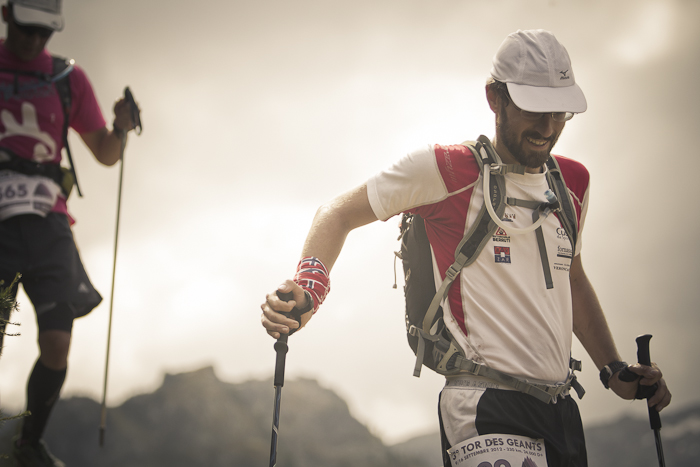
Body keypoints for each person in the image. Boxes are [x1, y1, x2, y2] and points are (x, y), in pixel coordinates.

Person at [261, 29, 672, 466]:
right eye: (534, 110)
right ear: (495, 98)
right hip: (483, 403)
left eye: (559, 112)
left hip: (561, 409)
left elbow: (571, 277)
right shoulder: (447, 169)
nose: (548, 127)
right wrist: (311, 287)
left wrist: (613, 369)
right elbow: (337, 213)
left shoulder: (573, 183)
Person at [0, 0, 137, 465]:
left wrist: (120, 127)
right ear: (6, 15)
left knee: (58, 341)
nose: (34, 40)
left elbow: (105, 152)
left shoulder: (67, 78)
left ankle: (29, 444)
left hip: (49, 224)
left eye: (45, 32)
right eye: (26, 29)